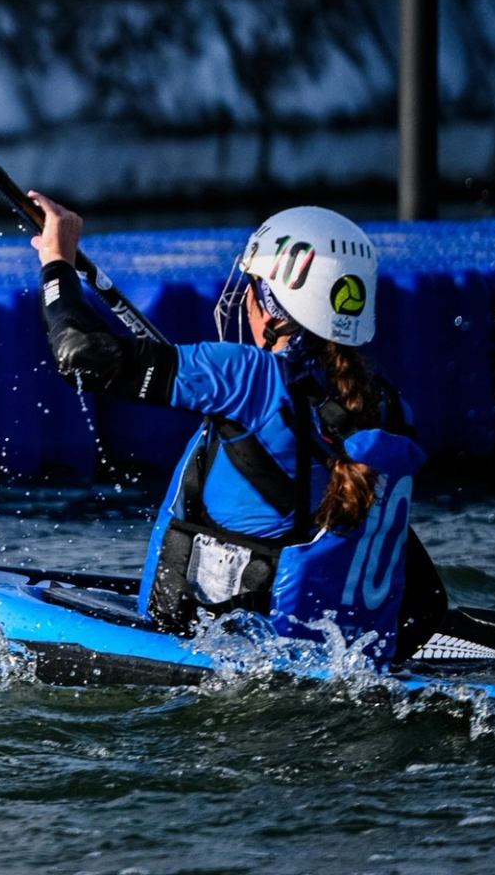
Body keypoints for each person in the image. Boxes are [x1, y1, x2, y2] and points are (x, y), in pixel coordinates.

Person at [29, 194, 441, 663]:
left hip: (223, 651)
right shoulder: (388, 404)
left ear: (272, 304)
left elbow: (78, 354)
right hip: (338, 654)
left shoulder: (244, 376)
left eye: (251, 284)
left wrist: (56, 261)